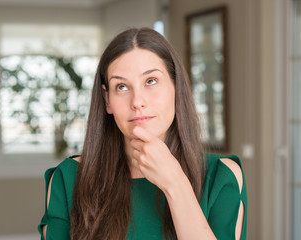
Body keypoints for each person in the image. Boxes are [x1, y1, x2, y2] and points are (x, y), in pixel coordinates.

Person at [38, 27, 247, 240]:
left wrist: (175, 183)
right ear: (107, 99)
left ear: (176, 87)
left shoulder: (221, 177)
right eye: (121, 86)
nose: (137, 101)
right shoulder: (68, 178)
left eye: (151, 81)